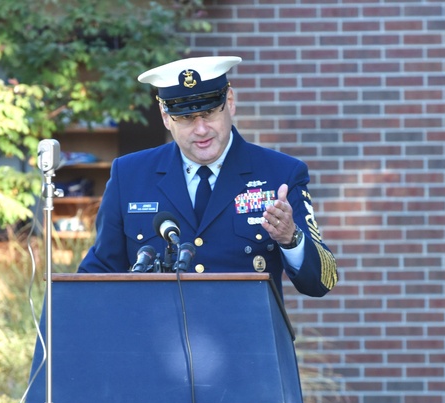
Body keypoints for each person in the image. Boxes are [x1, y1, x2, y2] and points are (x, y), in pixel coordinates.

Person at [77, 55, 338, 298]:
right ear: (166, 118)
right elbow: (99, 271)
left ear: (231, 103)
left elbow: (322, 281)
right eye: (187, 117)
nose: (201, 129)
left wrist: (290, 238)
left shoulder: (280, 173)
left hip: (249, 342)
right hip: (157, 344)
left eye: (210, 113)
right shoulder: (130, 174)